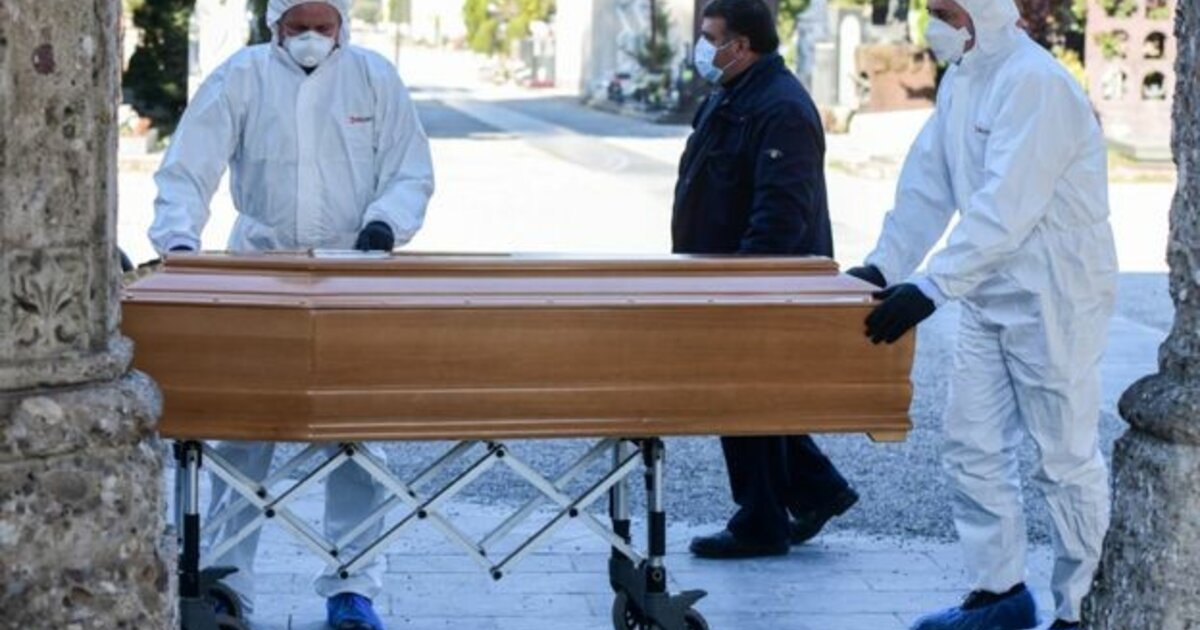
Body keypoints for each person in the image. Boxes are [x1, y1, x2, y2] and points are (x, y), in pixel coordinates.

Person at [149, 1, 434, 628]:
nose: (310, 39)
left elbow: (410, 170)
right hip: (260, 275)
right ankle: (226, 588)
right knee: (242, 439)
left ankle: (353, 590)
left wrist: (385, 223)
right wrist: (179, 243)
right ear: (274, 24)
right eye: (297, 27)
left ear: (342, 26)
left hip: (353, 276)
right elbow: (189, 167)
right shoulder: (241, 76)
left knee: (357, 444)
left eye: (322, 27)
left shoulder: (373, 78)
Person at [844, 0, 1116, 628]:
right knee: (972, 443)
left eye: (946, 11)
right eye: (932, 9)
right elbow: (929, 182)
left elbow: (1007, 207)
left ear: (985, 10)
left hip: (1054, 292)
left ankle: (1085, 608)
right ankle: (1000, 595)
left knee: (1064, 457)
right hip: (990, 289)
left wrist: (931, 286)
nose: (935, 24)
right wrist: (885, 264)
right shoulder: (964, 81)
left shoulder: (1036, 84)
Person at [676, 0, 859, 560]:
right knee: (752, 394)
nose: (702, 49)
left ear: (741, 45)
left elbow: (782, 213)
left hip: (760, 283)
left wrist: (745, 283)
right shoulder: (733, 92)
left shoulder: (781, 108)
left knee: (741, 396)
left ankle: (761, 522)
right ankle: (818, 490)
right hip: (725, 275)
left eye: (711, 38)